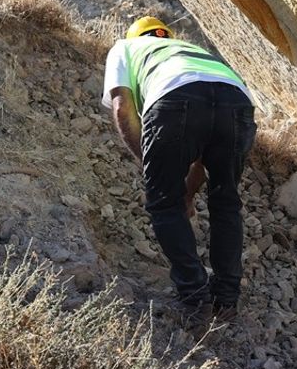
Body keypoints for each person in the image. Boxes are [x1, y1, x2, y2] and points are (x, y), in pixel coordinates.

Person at [103, 16, 256, 320]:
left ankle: (195, 298)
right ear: (166, 35)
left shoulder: (126, 46)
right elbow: (201, 155)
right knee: (225, 203)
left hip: (175, 97)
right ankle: (226, 299)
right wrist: (187, 194)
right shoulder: (191, 49)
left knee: (163, 204)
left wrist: (153, 171)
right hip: (237, 103)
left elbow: (123, 106)